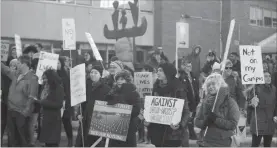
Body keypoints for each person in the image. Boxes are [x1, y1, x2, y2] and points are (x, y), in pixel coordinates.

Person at [145, 63, 190, 147]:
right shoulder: (155, 87)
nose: (158, 72)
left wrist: (179, 125)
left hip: (172, 134)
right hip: (156, 133)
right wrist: (147, 120)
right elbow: (152, 109)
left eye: (161, 70)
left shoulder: (179, 88)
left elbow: (186, 111)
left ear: (168, 72)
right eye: (157, 70)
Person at [1, 55, 39, 147]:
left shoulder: (32, 78)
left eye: (18, 63)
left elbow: (32, 97)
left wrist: (25, 113)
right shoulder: (15, 74)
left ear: (24, 64)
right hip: (11, 110)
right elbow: (6, 69)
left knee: (22, 139)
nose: (16, 65)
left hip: (21, 113)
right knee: (12, 137)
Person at [195, 73, 240, 147]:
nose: (210, 87)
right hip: (204, 141)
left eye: (213, 84)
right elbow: (197, 121)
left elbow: (233, 124)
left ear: (220, 85)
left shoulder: (230, 102)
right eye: (208, 85)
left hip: (222, 142)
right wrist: (205, 122)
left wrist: (215, 119)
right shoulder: (205, 101)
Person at [75, 65, 111, 147]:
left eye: (96, 73)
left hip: (98, 121)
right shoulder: (86, 86)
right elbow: (82, 103)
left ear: (100, 75)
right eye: (91, 72)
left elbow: (108, 106)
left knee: (95, 143)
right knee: (82, 142)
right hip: (85, 120)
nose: (93, 74)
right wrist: (79, 114)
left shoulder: (106, 89)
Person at [105, 70, 141, 147]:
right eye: (117, 79)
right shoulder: (112, 91)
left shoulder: (133, 92)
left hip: (128, 128)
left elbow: (136, 110)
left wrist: (123, 105)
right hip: (113, 127)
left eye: (122, 79)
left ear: (127, 80)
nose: (119, 81)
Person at [34, 69, 64, 147]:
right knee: (47, 142)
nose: (44, 80)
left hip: (53, 119)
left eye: (46, 78)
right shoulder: (45, 87)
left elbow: (58, 104)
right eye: (43, 78)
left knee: (52, 142)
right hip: (44, 117)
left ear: (51, 78)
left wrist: (42, 102)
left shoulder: (58, 88)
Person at [248, 71, 277, 147]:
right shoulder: (255, 89)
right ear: (261, 78)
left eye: (269, 76)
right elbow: (249, 104)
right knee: (255, 145)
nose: (268, 78)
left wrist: (275, 115)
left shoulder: (274, 89)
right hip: (259, 122)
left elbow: (276, 104)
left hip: (270, 122)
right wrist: (252, 103)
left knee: (267, 145)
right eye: (266, 76)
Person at [178, 59, 199, 142]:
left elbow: (196, 87)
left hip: (194, 99)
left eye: (190, 66)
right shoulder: (182, 77)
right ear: (183, 67)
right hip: (187, 101)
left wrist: (198, 98)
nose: (189, 67)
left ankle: (191, 132)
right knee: (188, 117)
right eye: (187, 66)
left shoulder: (193, 76)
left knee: (192, 116)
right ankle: (189, 133)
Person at [1, 59, 19, 146]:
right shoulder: (6, 74)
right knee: (6, 123)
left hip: (14, 103)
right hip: (6, 102)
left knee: (10, 124)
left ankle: (11, 143)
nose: (14, 66)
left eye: (16, 65)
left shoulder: (18, 75)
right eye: (12, 64)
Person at [57, 58, 73, 147]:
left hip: (65, 102)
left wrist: (67, 102)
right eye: (55, 63)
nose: (57, 65)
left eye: (58, 63)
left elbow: (68, 90)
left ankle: (70, 140)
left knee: (66, 122)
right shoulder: (52, 74)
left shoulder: (66, 75)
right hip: (55, 102)